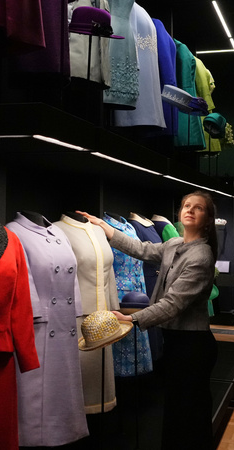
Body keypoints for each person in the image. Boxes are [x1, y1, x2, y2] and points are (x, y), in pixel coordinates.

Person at [76, 190, 219, 449]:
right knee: (178, 412)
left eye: (197, 208)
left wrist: (131, 320)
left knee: (190, 415)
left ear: (207, 219)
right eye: (186, 205)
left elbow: (173, 304)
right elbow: (140, 249)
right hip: (177, 342)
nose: (189, 210)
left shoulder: (201, 256)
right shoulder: (176, 245)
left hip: (193, 346)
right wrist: (104, 227)